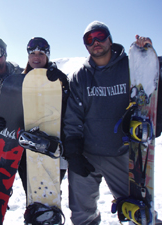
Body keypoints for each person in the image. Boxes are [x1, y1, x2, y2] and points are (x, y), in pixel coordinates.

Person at [63, 21, 159, 224]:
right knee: (81, 215)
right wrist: (73, 152)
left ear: (109, 39)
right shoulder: (81, 76)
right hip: (86, 154)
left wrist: (147, 57)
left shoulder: (131, 67)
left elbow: (150, 91)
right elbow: (73, 116)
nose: (95, 42)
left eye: (99, 35)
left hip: (122, 153)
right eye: (89, 39)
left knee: (140, 214)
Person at [19, 37, 69, 196]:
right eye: (32, 53)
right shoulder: (21, 80)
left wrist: (63, 84)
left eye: (41, 53)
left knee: (50, 193)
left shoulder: (59, 79)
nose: (36, 57)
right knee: (32, 193)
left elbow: (70, 109)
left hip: (54, 144)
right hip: (26, 149)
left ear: (47, 55)